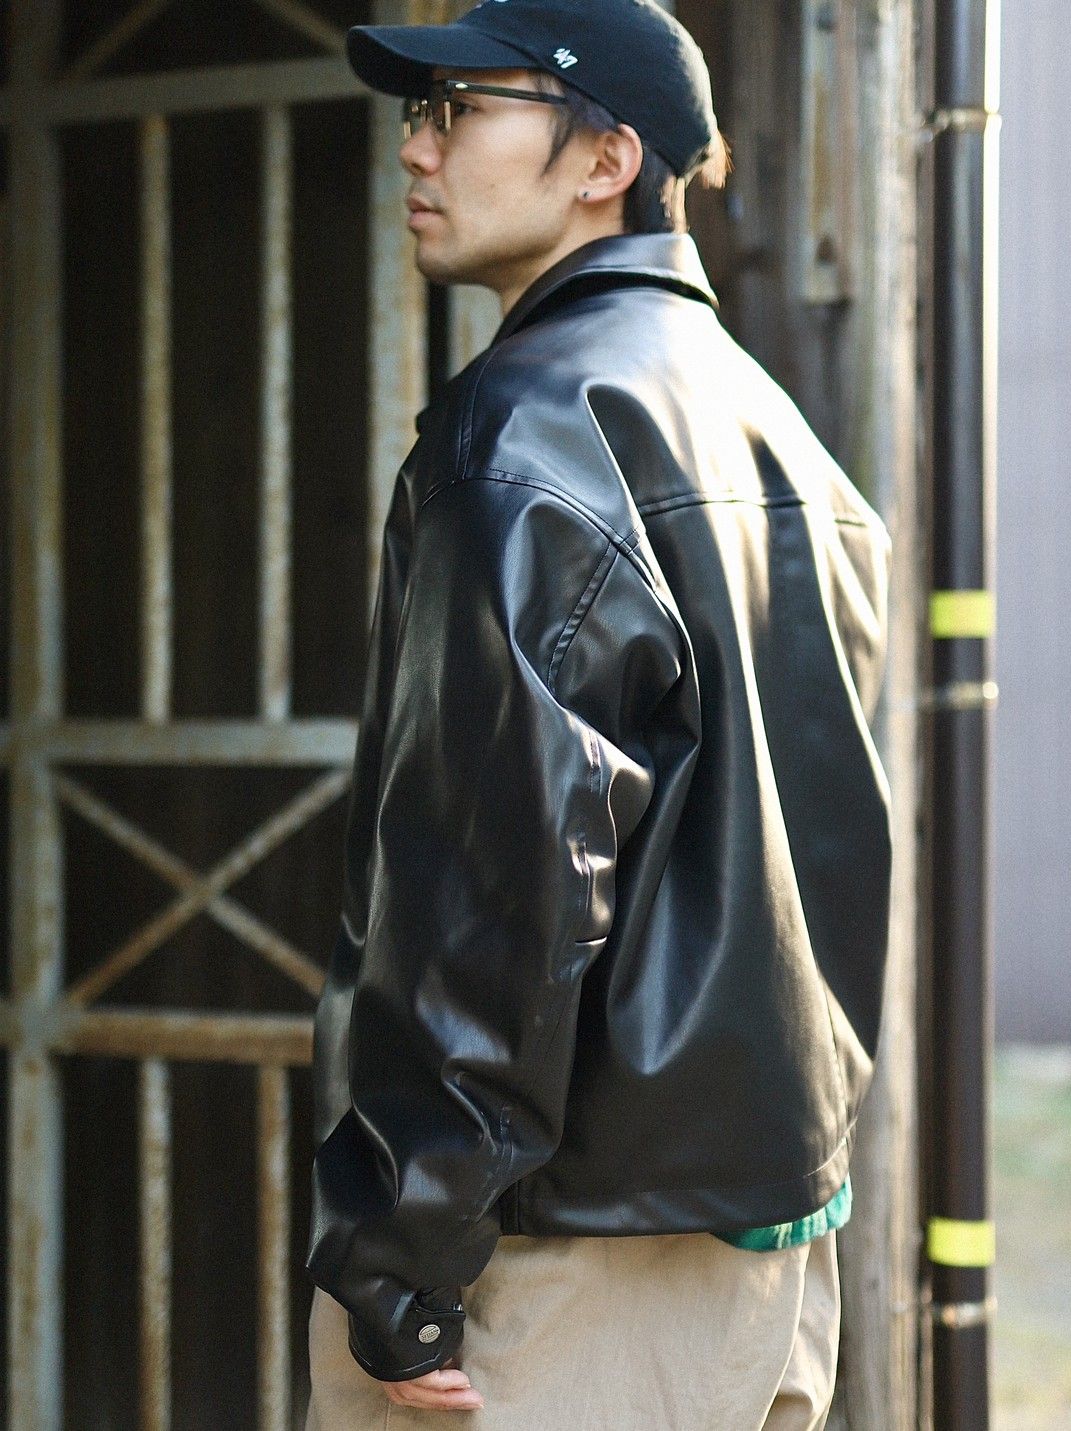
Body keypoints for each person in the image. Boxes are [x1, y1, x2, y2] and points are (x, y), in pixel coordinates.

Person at [305, 1, 892, 1426]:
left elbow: (499, 887)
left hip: (555, 1282)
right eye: (419, 114)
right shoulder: (785, 441)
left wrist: (401, 1263)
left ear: (606, 159)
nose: (417, 148)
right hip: (761, 1269)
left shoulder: (523, 430)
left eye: (462, 110)